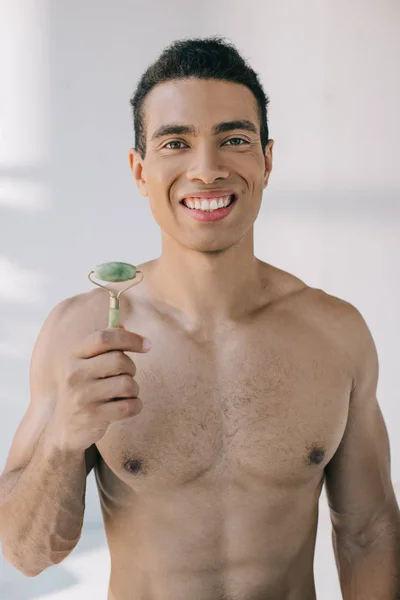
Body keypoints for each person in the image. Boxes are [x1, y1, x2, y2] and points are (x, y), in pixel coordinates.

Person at [0, 36, 399, 600]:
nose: (207, 169)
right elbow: (26, 555)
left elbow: (368, 532)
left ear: (266, 160)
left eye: (233, 139)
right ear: (140, 171)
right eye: (176, 143)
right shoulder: (78, 332)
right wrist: (63, 440)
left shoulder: (335, 332)